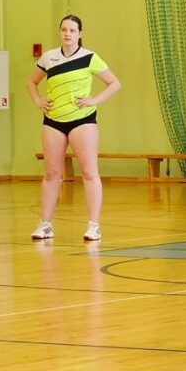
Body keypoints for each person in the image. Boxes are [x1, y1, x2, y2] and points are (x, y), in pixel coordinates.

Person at [26, 15, 121, 242]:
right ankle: (45, 225)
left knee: (89, 172)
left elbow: (114, 83)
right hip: (53, 121)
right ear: (60, 32)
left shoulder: (90, 58)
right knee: (51, 174)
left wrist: (94, 100)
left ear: (79, 34)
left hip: (82, 120)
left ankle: (93, 226)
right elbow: (31, 82)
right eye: (64, 30)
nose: (67, 34)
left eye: (72, 30)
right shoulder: (49, 57)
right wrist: (38, 100)